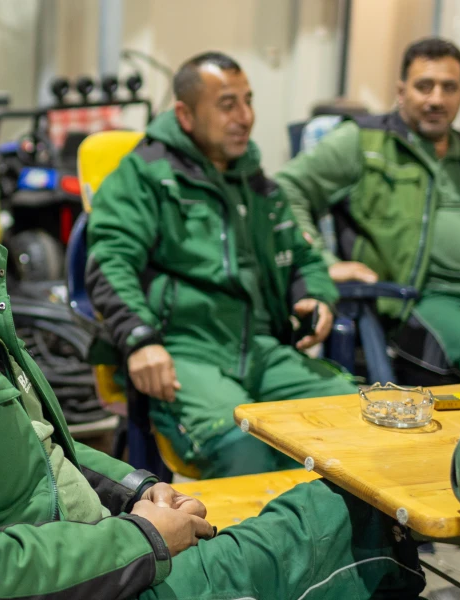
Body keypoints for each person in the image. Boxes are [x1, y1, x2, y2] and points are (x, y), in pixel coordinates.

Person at [0, 69, 425, 600]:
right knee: (348, 518)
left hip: (98, 544)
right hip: (94, 564)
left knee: (356, 460)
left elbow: (35, 451)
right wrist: (145, 537)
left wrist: (135, 492)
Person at [85, 52, 356, 479]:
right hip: (183, 350)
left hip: (261, 348)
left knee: (352, 418)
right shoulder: (145, 175)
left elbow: (303, 255)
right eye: (228, 105)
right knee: (242, 445)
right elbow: (109, 262)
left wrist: (313, 296)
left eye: (248, 101)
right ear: (185, 115)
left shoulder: (257, 184)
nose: (245, 117)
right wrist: (139, 339)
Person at [276, 37, 460, 379]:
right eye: (424, 86)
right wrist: (322, 262)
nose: (437, 99)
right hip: (418, 302)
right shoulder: (362, 141)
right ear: (401, 91)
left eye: (449, 87)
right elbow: (284, 191)